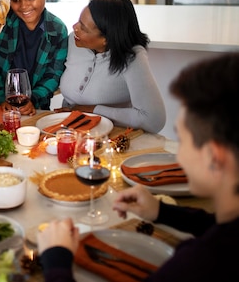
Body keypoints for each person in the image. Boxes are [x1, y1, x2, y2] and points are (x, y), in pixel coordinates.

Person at [38, 52, 239, 281]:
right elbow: (218, 227)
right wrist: (164, 212)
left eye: (183, 142)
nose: (179, 155)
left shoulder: (201, 263)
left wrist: (56, 259)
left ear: (215, 157)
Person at [57, 0, 165, 133]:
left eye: (83, 28)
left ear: (106, 39)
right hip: (68, 131)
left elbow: (154, 120)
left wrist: (92, 110)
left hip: (112, 137)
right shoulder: (74, 40)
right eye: (79, 21)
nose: (74, 27)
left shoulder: (133, 58)